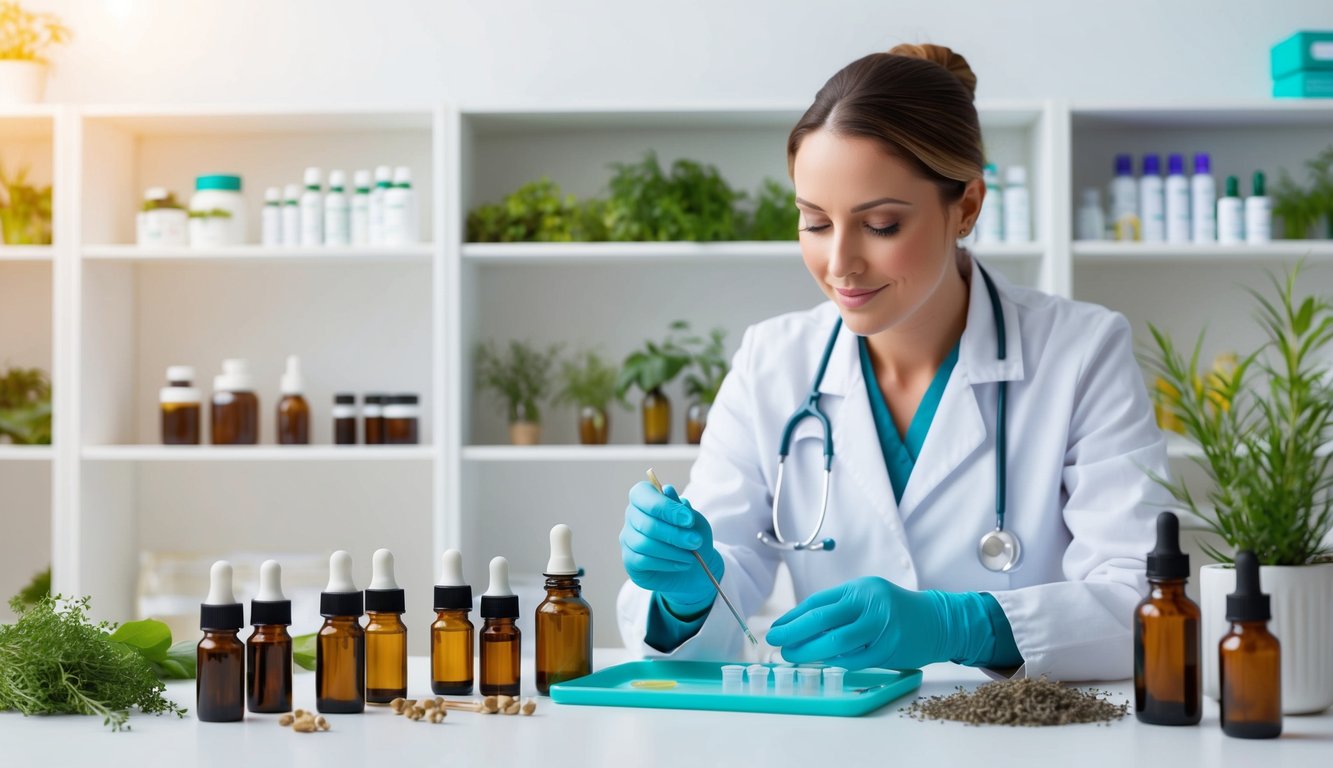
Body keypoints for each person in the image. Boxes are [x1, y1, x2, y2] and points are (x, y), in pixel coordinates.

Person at [616, 43, 1170, 680]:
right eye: (815, 222)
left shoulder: (1081, 351)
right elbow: (721, 596)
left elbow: (1146, 601)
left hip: (1017, 724)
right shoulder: (773, 361)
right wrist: (686, 598)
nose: (840, 264)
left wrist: (966, 624)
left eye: (880, 225)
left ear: (966, 207)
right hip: (833, 726)